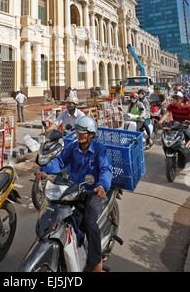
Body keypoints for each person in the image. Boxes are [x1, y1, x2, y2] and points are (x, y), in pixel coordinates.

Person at [37, 115, 112, 272]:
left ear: (91, 134)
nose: (79, 136)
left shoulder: (100, 150)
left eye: (83, 133)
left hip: (92, 193)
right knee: (60, 216)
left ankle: (96, 261)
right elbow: (60, 161)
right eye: (77, 132)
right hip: (73, 190)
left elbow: (106, 170)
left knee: (91, 225)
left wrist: (102, 186)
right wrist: (45, 170)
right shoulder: (72, 147)